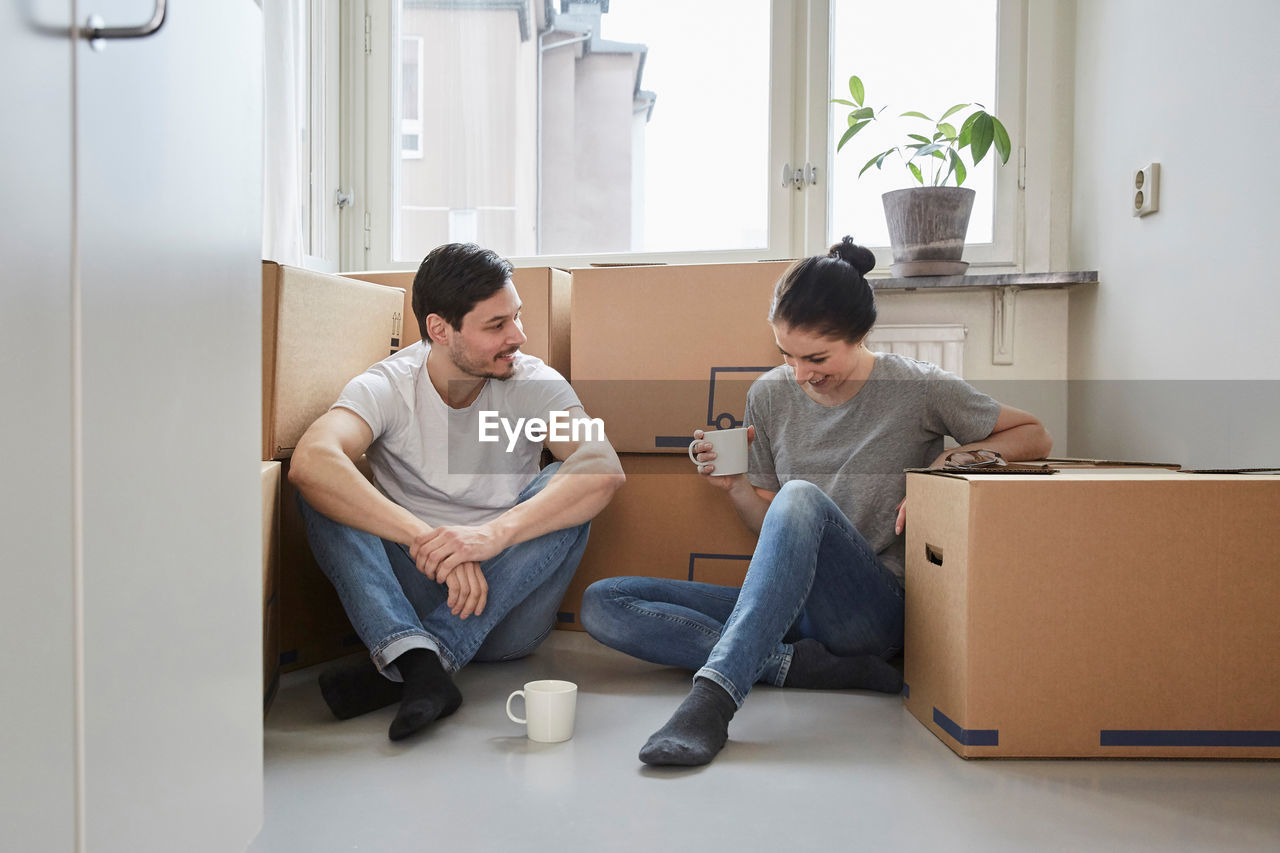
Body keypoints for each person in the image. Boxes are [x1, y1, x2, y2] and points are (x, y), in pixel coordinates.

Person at [579, 237, 1052, 766]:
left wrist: (945, 469)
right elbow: (776, 528)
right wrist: (735, 487)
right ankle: (800, 667)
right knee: (606, 602)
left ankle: (712, 698)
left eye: (817, 357)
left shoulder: (918, 388)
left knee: (800, 496)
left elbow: (1032, 434)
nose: (801, 373)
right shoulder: (770, 394)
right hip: (790, 607)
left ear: (860, 335)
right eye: (787, 354)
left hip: (875, 610)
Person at [290, 242, 625, 742]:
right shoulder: (389, 384)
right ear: (440, 329)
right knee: (322, 484)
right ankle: (418, 659)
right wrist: (431, 541)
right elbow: (313, 461)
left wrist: (488, 538)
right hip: (414, 590)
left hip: (508, 605)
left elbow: (604, 467)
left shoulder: (534, 382)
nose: (518, 336)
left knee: (570, 481)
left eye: (517, 317)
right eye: (496, 326)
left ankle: (420, 664)